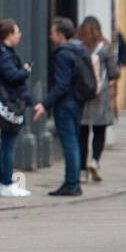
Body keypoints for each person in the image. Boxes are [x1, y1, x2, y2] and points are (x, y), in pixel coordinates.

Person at [33, 17, 87, 196]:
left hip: (66, 103)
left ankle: (72, 183)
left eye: (53, 32)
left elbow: (61, 85)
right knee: (74, 141)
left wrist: (45, 103)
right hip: (77, 101)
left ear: (61, 34)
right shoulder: (79, 49)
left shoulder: (63, 54)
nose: (50, 35)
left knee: (70, 142)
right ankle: (73, 181)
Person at [0, 18, 32, 197]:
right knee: (9, 143)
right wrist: (25, 71)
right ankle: (6, 183)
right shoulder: (4, 54)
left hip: (2, 102)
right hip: (9, 102)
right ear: (9, 34)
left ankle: (1, 182)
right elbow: (11, 75)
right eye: (17, 32)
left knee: (5, 142)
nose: (19, 35)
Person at [76, 15, 118, 182]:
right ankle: (95, 161)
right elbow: (114, 72)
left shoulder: (78, 47)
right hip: (101, 95)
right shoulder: (105, 48)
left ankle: (81, 170)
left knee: (82, 134)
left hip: (82, 96)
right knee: (99, 131)